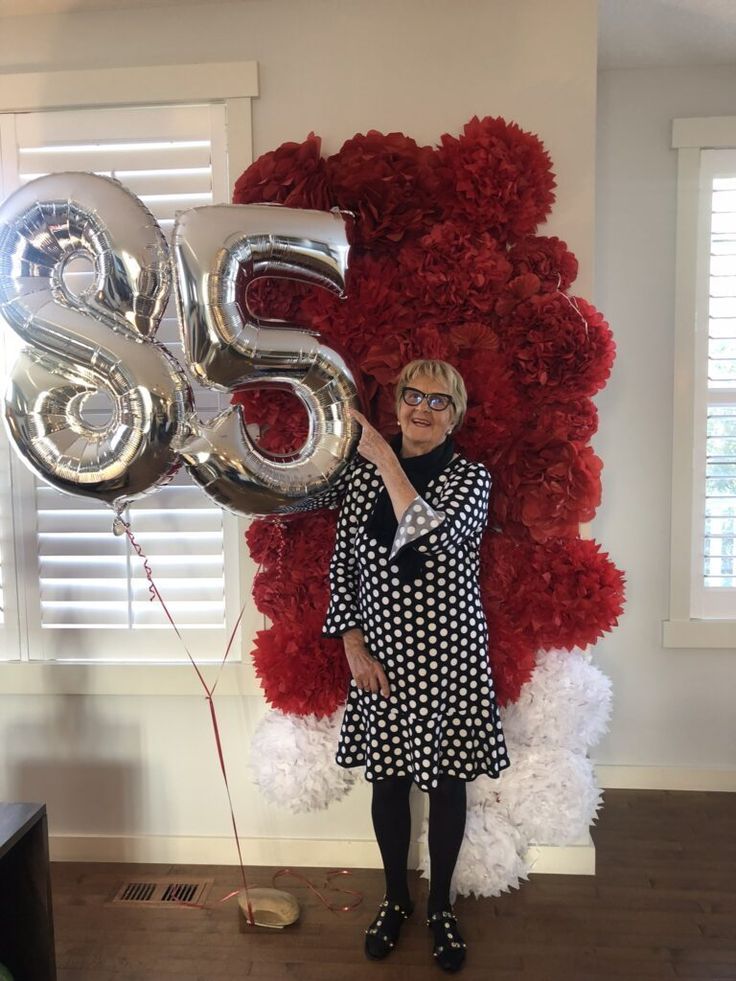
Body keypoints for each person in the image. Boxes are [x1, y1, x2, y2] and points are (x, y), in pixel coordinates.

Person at [322, 359, 510, 973]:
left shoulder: (470, 479)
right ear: (397, 401)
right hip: (381, 660)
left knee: (449, 784)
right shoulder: (358, 482)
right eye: (412, 395)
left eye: (439, 401)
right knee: (389, 782)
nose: (422, 409)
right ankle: (396, 901)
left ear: (455, 415)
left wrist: (386, 462)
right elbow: (343, 568)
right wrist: (353, 644)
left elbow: (432, 539)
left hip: (451, 659)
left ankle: (441, 909)